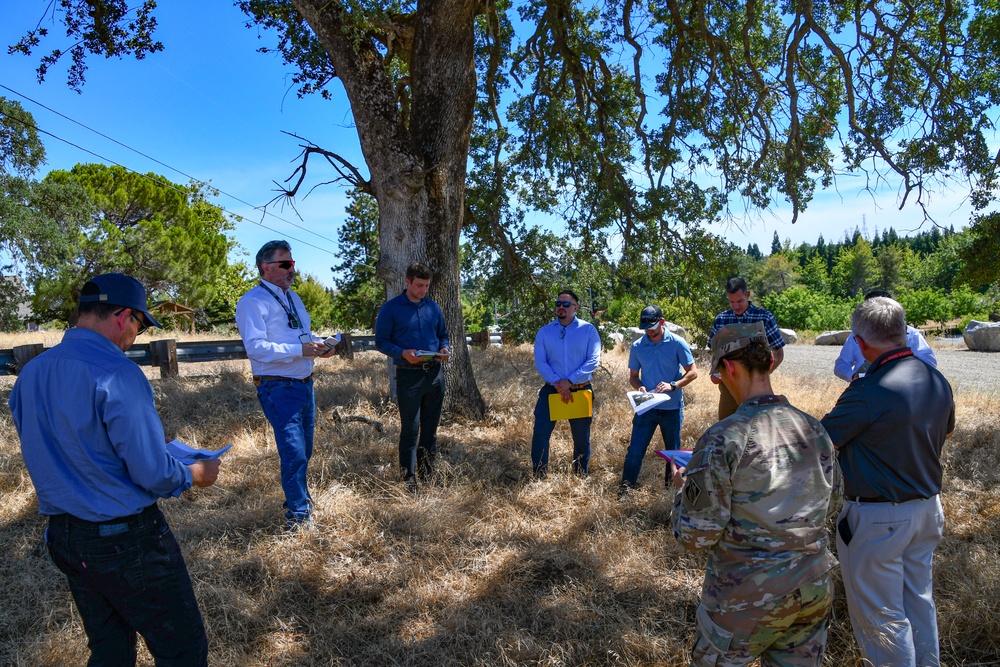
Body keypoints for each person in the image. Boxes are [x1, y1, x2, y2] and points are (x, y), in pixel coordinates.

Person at [9, 273, 221, 667]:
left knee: (109, 650)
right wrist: (195, 474)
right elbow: (154, 475)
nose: (136, 336)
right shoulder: (118, 373)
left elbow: (56, 448)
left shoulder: (32, 373)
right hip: (126, 539)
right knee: (183, 651)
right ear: (124, 316)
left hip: (65, 535)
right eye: (140, 325)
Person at [671, 322, 841, 667]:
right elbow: (833, 501)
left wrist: (683, 490)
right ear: (768, 363)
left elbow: (696, 535)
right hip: (812, 587)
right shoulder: (813, 428)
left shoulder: (724, 437)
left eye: (718, 373)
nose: (720, 380)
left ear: (729, 367)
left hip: (745, 599)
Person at [821, 296, 955, 667]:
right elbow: (944, 433)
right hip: (928, 510)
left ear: (860, 344)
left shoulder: (867, 391)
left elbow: (820, 441)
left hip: (879, 519)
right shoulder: (936, 380)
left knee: (881, 618)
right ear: (903, 332)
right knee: (919, 604)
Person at [236, 240, 335, 529]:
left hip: (304, 383)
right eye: (285, 264)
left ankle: (298, 501)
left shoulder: (294, 298)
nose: (293, 268)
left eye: (293, 263)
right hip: (278, 387)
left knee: (304, 450)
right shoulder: (252, 302)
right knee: (293, 451)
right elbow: (256, 349)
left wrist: (319, 346)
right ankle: (299, 516)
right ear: (266, 268)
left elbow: (301, 335)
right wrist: (299, 351)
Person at [374, 262, 451, 485]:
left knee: (430, 430)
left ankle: (428, 475)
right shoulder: (391, 309)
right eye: (419, 285)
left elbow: (443, 335)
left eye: (426, 286)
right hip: (408, 376)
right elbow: (381, 342)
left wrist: (444, 348)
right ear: (407, 282)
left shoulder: (433, 308)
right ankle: (408, 479)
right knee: (410, 429)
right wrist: (402, 353)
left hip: (435, 375)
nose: (423, 290)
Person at [619, 305, 698, 496]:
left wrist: (674, 385)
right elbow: (633, 376)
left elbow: (693, 372)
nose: (649, 332)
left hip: (671, 408)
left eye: (653, 327)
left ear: (662, 322)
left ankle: (672, 492)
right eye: (646, 328)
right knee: (635, 450)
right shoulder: (638, 347)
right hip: (647, 408)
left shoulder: (677, 343)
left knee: (673, 453)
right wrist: (640, 387)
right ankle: (625, 490)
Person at [530, 290, 602, 476]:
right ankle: (539, 475)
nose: (561, 307)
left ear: (575, 308)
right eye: (558, 304)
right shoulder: (544, 332)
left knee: (581, 438)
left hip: (580, 390)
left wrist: (570, 381)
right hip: (551, 390)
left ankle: (579, 475)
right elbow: (541, 362)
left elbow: (593, 360)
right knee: (540, 434)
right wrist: (559, 384)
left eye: (566, 304)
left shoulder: (588, 330)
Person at [709, 277, 785, 420]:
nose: (736, 306)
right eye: (731, 302)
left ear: (747, 295)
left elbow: (778, 353)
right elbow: (715, 354)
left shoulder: (764, 317)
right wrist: (714, 371)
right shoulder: (721, 319)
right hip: (729, 389)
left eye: (739, 301)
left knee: (762, 427)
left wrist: (758, 375)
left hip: (758, 390)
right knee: (727, 431)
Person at [834, 289, 937, 381]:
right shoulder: (856, 335)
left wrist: (907, 374)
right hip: (866, 386)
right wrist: (853, 376)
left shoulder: (912, 334)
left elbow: (928, 361)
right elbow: (841, 364)